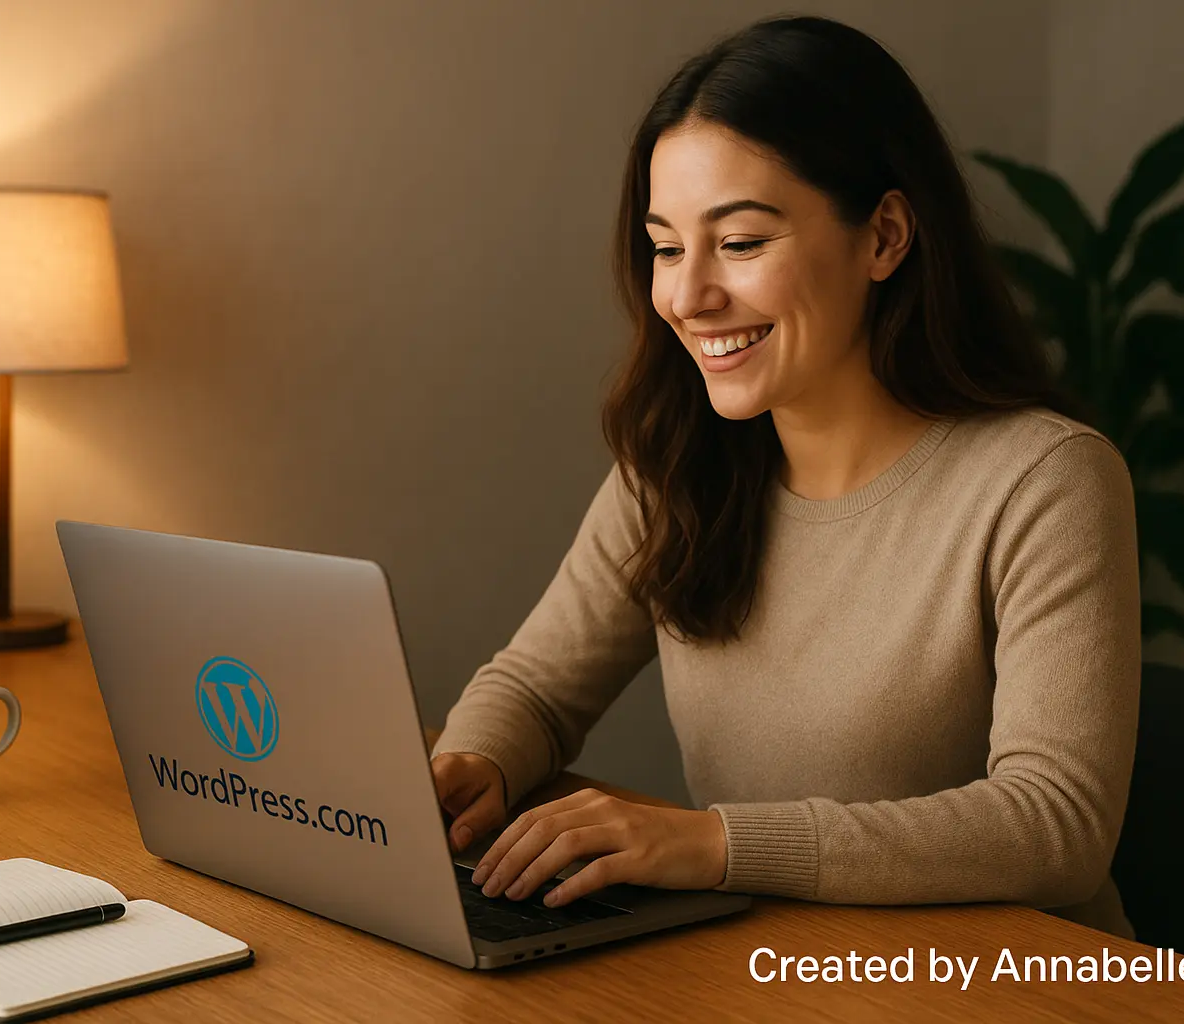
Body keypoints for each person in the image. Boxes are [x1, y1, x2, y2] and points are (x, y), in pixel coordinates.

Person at [429, 13, 1141, 941]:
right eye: (668, 246)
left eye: (742, 241)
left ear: (884, 236)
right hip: (771, 973)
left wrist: (716, 845)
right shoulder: (678, 464)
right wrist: (472, 761)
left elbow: (1058, 827)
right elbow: (536, 687)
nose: (688, 297)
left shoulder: (1045, 480)